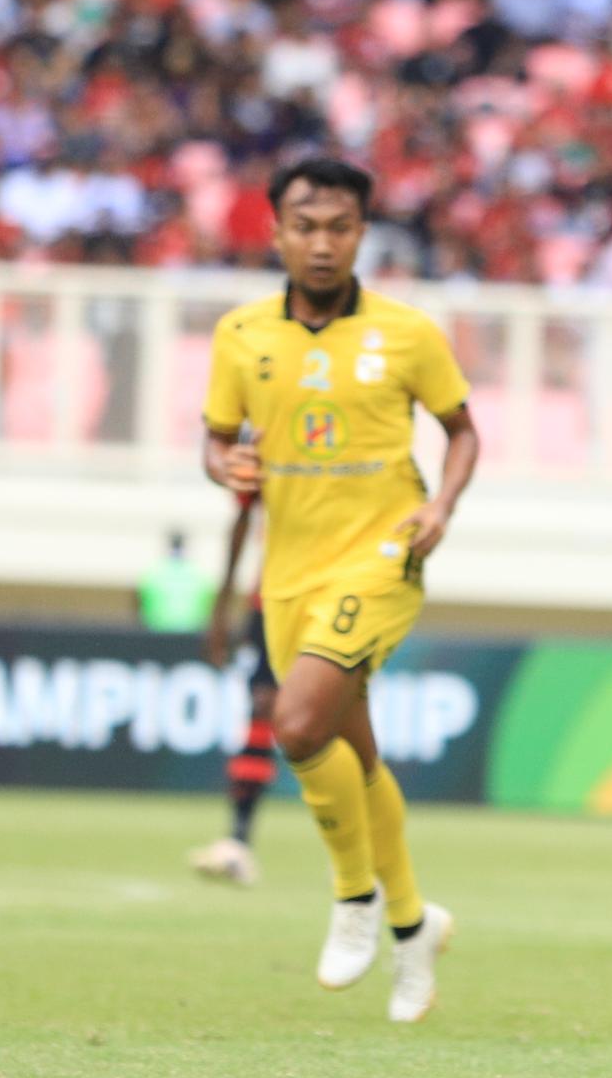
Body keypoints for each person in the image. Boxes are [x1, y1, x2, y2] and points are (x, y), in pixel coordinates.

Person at [198, 157, 481, 1019]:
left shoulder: (407, 333)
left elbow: (463, 432)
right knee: (355, 756)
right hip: (289, 573)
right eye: (305, 226)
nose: (322, 244)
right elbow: (214, 441)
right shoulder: (241, 335)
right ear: (276, 231)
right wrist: (224, 463)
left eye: (340, 227)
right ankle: (411, 926)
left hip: (383, 555)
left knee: (295, 721)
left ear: (362, 233)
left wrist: (441, 502)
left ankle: (353, 897)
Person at [192, 494, 283, 888]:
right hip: (272, 595)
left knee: (329, 718)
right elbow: (243, 516)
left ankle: (362, 863)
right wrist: (222, 606)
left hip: (333, 595)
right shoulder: (267, 441)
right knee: (262, 705)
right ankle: (238, 841)